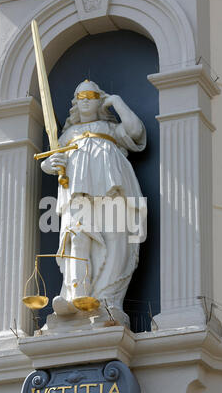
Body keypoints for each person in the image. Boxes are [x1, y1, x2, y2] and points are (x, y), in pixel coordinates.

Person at [41, 80, 147, 316]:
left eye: (90, 95)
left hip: (113, 188)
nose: (85, 100)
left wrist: (117, 103)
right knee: (77, 236)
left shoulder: (109, 129)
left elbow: (135, 131)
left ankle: (107, 298)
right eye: (80, 97)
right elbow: (51, 160)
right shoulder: (69, 134)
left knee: (115, 239)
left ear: (99, 100)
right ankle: (75, 295)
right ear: (75, 104)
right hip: (77, 190)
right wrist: (50, 164)